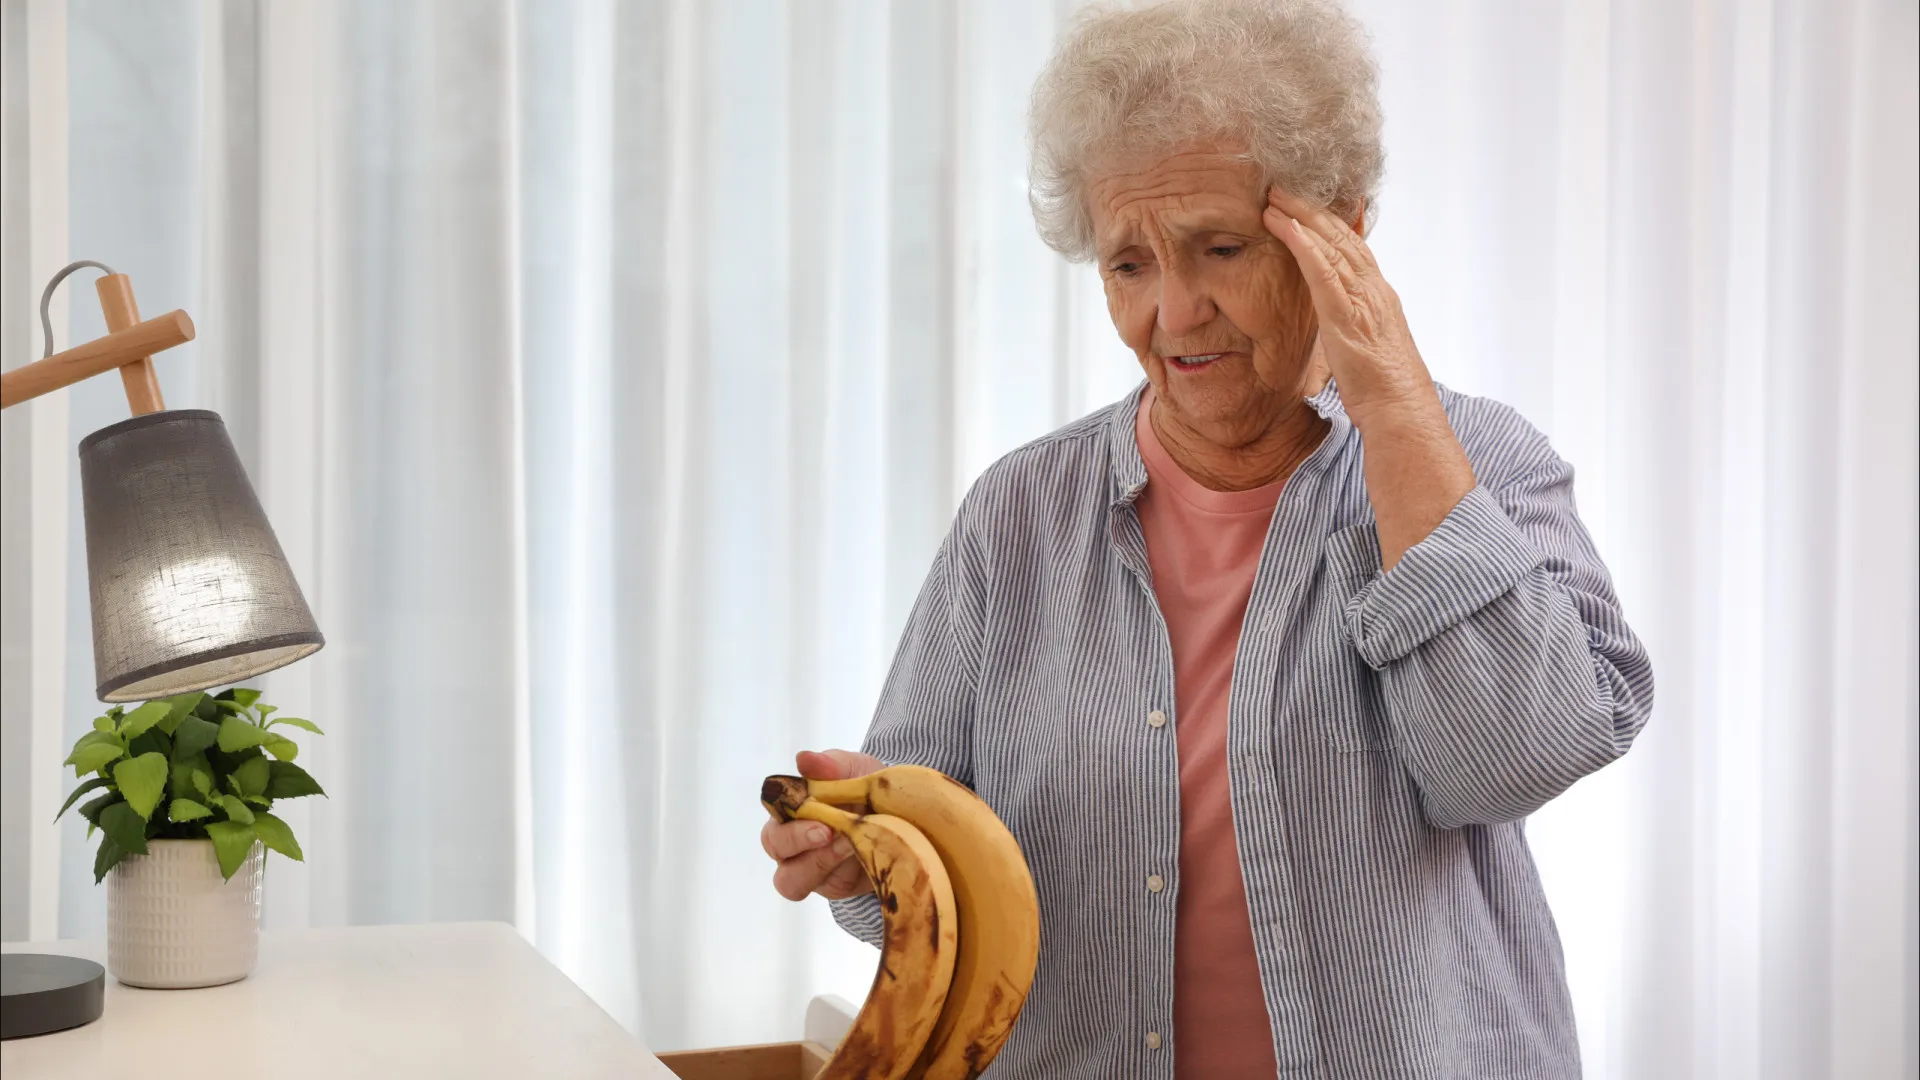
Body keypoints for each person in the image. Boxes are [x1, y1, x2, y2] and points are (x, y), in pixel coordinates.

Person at [760, 0, 1654, 1075]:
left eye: (1219, 248)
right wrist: (858, 857)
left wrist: (1392, 404)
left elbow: (1514, 759)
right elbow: (931, 884)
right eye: (1128, 265)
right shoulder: (1018, 515)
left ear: (1341, 229)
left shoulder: (1484, 461)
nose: (1174, 313)